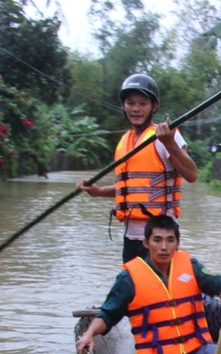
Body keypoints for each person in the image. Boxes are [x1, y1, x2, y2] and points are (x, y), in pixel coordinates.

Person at [75, 215, 221, 354]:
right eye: (157, 240)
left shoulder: (190, 265)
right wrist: (89, 333)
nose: (164, 247)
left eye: (170, 240)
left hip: (199, 351)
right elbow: (108, 314)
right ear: (146, 243)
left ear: (177, 243)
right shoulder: (129, 278)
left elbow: (220, 282)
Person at [76, 73, 198, 263]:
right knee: (133, 289)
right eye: (130, 103)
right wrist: (98, 191)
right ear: (123, 106)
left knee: (159, 290)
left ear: (154, 106)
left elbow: (191, 174)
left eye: (143, 103)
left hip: (160, 237)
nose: (136, 109)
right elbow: (135, 188)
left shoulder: (166, 135)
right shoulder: (125, 140)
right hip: (130, 236)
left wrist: (170, 143)